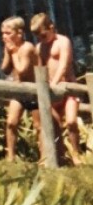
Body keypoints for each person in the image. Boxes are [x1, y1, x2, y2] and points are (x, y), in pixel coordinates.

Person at [32, 13, 80, 161]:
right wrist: (43, 87)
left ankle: (76, 153)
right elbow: (39, 69)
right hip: (51, 91)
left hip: (67, 88)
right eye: (38, 36)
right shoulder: (39, 47)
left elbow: (64, 65)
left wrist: (55, 83)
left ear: (51, 27)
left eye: (44, 35)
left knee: (71, 121)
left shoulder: (63, 41)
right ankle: (61, 156)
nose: (41, 39)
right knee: (56, 125)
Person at [0, 16, 41, 162]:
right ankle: (10, 156)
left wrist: (13, 53)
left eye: (8, 33)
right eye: (3, 33)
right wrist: (8, 52)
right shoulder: (10, 47)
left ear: (19, 33)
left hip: (35, 90)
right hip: (20, 91)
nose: (5, 37)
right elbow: (5, 69)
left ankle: (44, 157)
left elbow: (22, 69)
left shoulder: (27, 47)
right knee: (11, 122)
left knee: (38, 126)